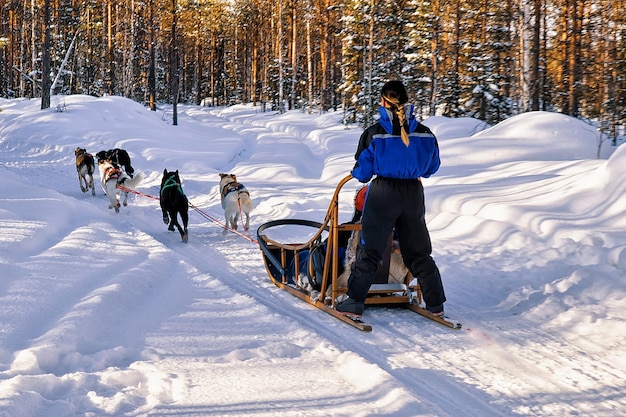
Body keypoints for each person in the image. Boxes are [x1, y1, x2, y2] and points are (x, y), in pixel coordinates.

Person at [336, 80, 446, 318]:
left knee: (371, 248)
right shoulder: (426, 135)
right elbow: (431, 168)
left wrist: (357, 173)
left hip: (383, 192)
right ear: (407, 102)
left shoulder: (375, 133)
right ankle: (436, 304)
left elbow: (363, 172)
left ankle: (354, 302)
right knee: (418, 251)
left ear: (383, 102)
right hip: (414, 194)